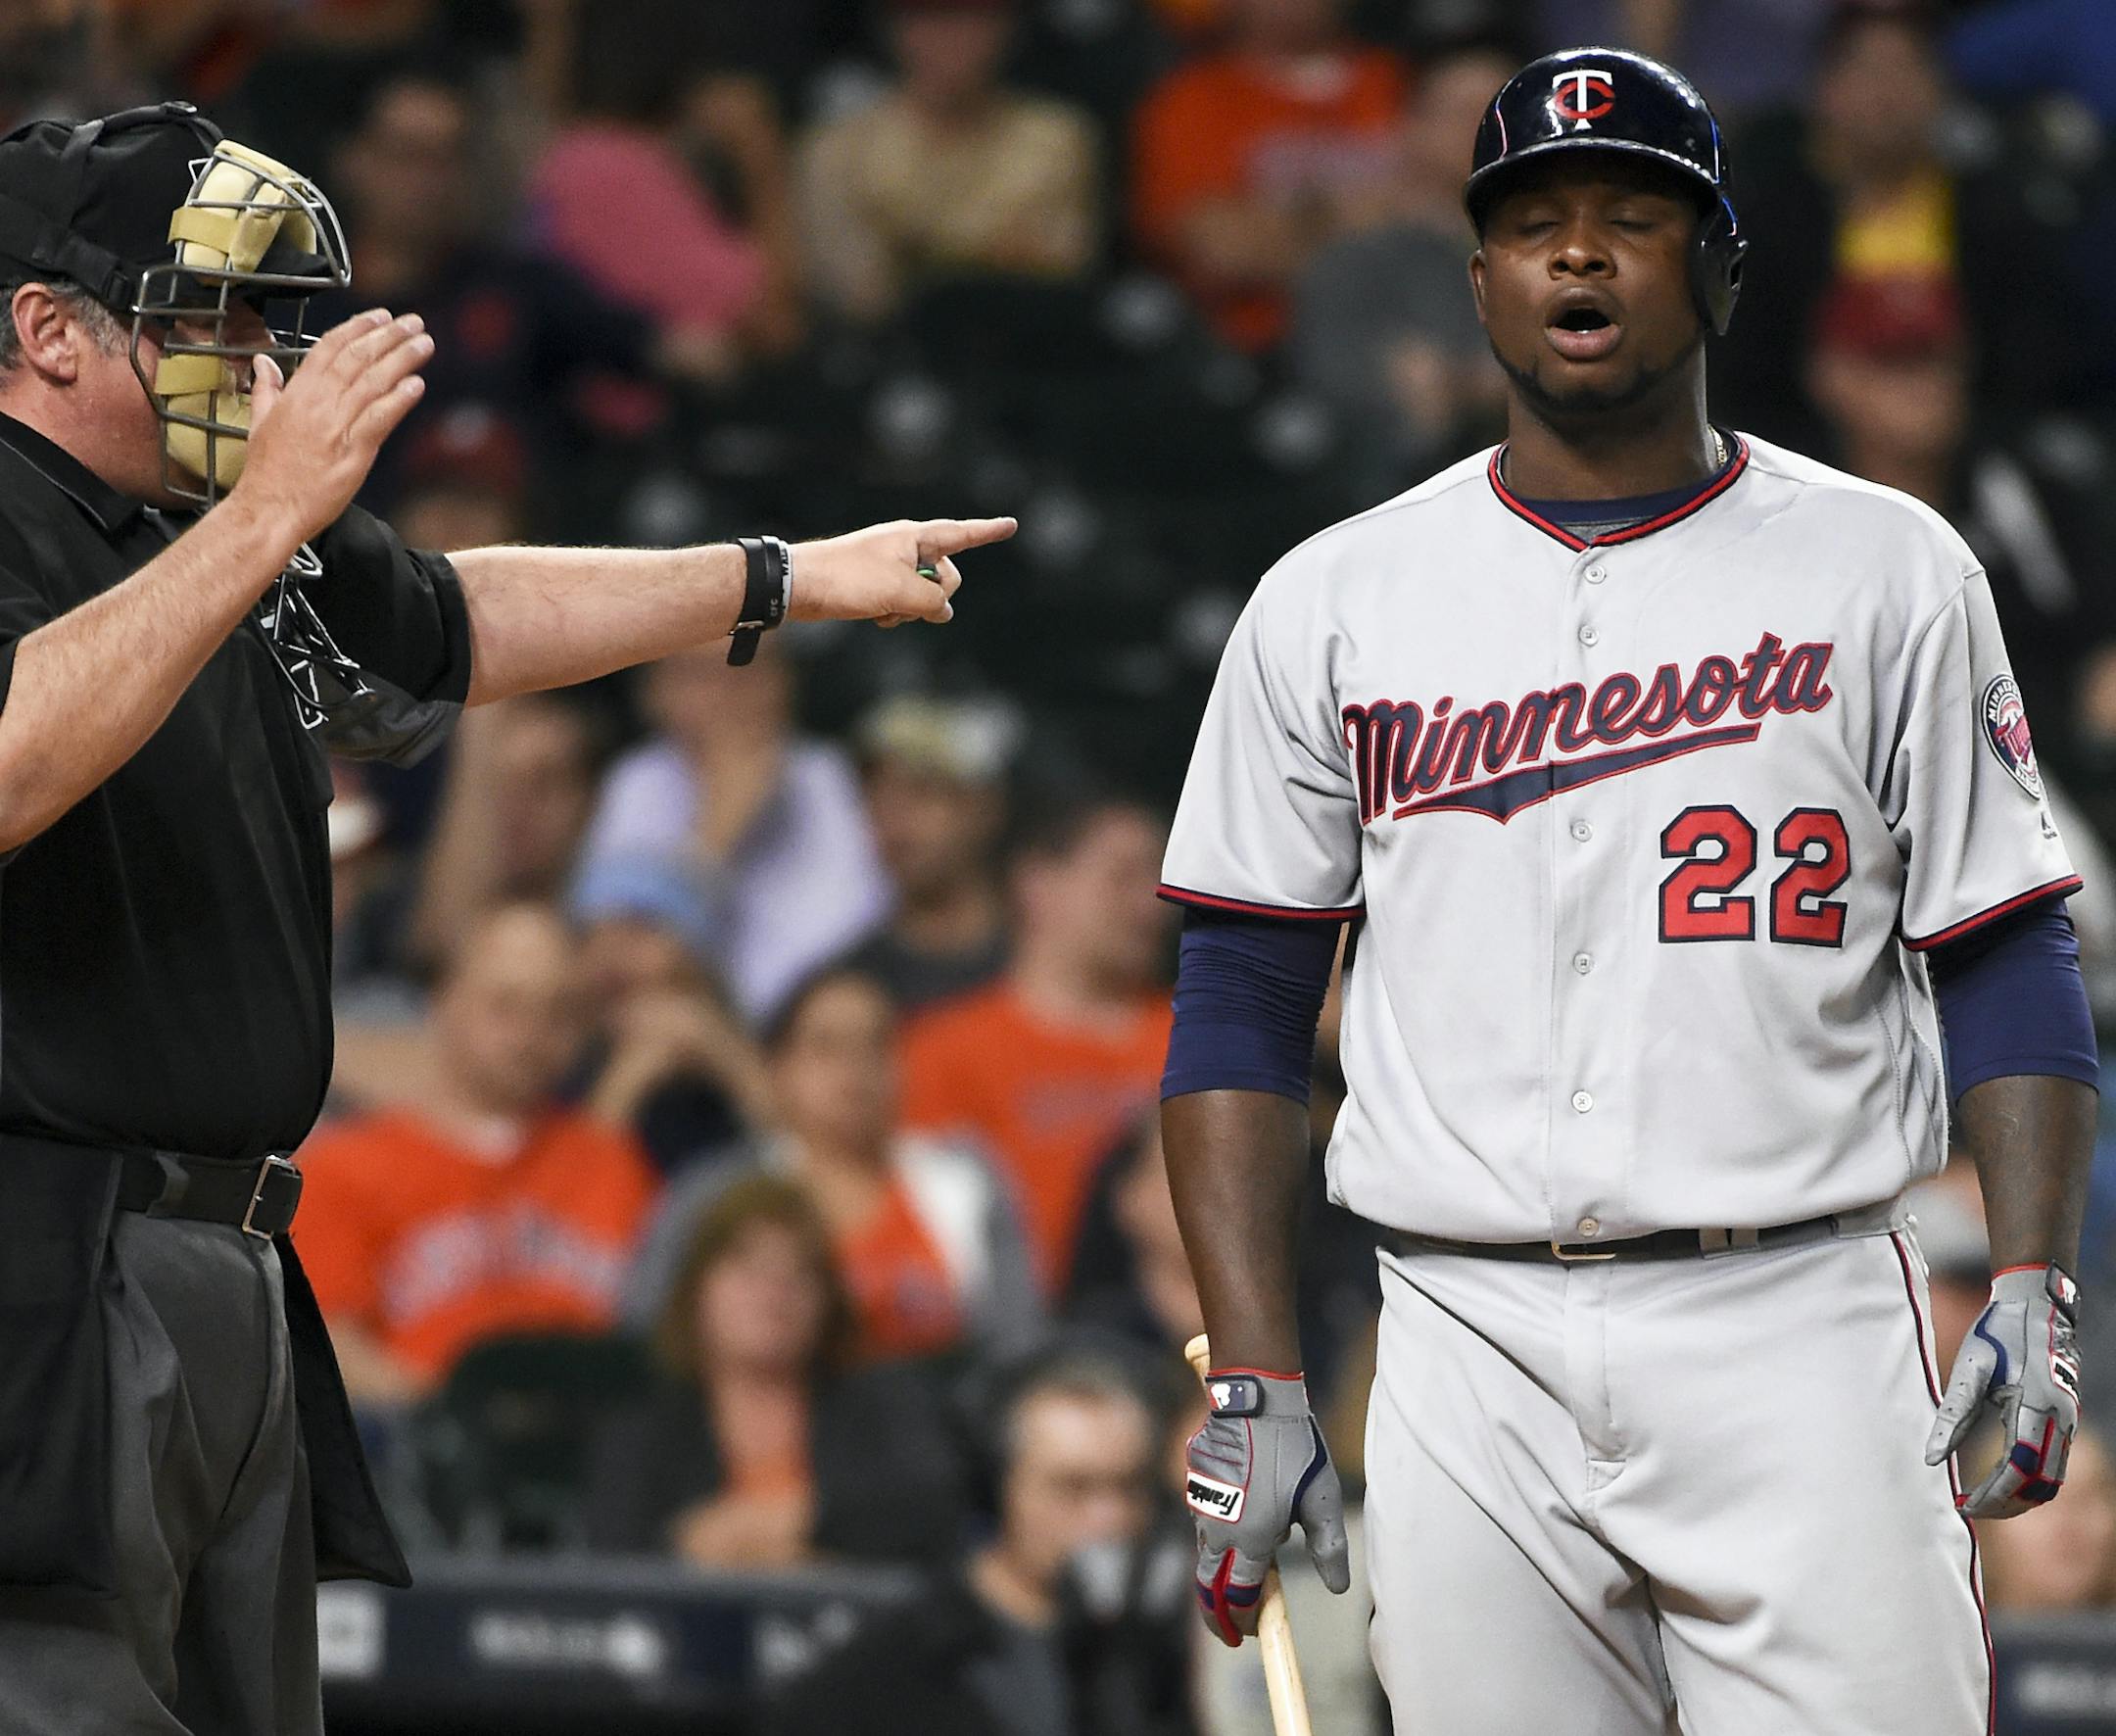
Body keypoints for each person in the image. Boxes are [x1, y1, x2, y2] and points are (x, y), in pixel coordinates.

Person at [0, 101, 1007, 1736]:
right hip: (38, 1259)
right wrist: (267, 514)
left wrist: (776, 575)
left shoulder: (194, 523)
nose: (258, 361)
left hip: (228, 1251)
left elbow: (460, 622)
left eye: (269, 319)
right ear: (47, 328)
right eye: (212, 314)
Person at [1153, 48, 2096, 1734]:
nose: (1577, 254)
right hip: (1462, 1328)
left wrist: (2032, 1276)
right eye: (1535, 224)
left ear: (1721, 269)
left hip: (1794, 1314)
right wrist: (1254, 1366)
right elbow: (1236, 994)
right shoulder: (1336, 598)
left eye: (1631, 219)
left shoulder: (1891, 568)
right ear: (1481, 283)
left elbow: (2005, 943)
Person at [294, 902, 660, 1407]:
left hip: (595, 1450)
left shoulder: (614, 1162)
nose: (530, 1034)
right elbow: (327, 1345)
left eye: (557, 1012)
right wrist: (454, 1425)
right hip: (421, 1455)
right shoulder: (342, 1167)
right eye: (505, 1005)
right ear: (444, 1002)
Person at [756, 1344, 1195, 1736]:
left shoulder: (1181, 1653)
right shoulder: (891, 1668)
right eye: (1072, 1487)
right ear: (999, 1488)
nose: (1109, 1519)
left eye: (1131, 1487)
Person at [626, 964, 1041, 1364]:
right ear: (778, 1070)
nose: (854, 1068)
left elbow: (1017, 1341)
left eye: (875, 1044)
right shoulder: (714, 1195)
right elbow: (647, 1333)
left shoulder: (964, 1182)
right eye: (826, 1046)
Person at [1713, 1, 2079, 446]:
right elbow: (1741, 371)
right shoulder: (1771, 220)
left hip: (1971, 456)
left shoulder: (1996, 214)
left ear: (1942, 88)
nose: (1886, 95)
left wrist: (1947, 417)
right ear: (1823, 88)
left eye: (1906, 69)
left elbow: (2039, 362)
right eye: (1867, 71)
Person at [583, 1173, 971, 1567]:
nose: (774, 1292)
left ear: (827, 1301)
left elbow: (931, 1504)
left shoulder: (882, 1405)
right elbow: (615, 1554)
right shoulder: (644, 1431)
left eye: (798, 1273)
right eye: (748, 1268)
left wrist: (788, 1522)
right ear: (696, 1290)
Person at [900, 789, 1176, 1295]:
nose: (1153, 902)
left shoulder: (1201, 1035)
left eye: (1159, 878)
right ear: (1038, 884)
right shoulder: (945, 1050)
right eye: (1122, 878)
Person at [570, 636, 892, 1023]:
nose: (732, 692)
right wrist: (716, 834)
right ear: (655, 693)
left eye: (753, 664)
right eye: (705, 674)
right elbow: (610, 973)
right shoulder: (637, 783)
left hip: (814, 1045)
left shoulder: (830, 779)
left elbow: (866, 945)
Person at [1290, 36, 1515, 493]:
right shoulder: (1356, 263)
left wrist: (1462, 383)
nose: (1487, 129)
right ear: (1414, 128)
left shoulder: (1566, 256)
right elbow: (1341, 389)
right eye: (1464, 111)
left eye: (1503, 114)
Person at [798, 0, 1100, 324]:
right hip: (889, 355)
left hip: (1025, 350)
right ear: (893, 26)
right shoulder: (836, 150)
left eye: (974, 19)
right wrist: (991, 251)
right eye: (930, 18)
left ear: (1009, 27)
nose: (952, 38)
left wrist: (917, 245)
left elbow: (1062, 271)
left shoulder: (1058, 139)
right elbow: (859, 292)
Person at [1131, 0, 1406, 351]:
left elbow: (1452, 222)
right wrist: (1367, 222)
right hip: (1255, 346)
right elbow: (1221, 250)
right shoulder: (1190, 99)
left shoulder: (1400, 82)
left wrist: (1282, 227)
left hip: (1409, 338)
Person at [838, 693, 1017, 1012]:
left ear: (987, 807)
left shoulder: (1050, 961)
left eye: (923, 790)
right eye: (877, 793)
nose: (894, 816)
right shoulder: (852, 990)